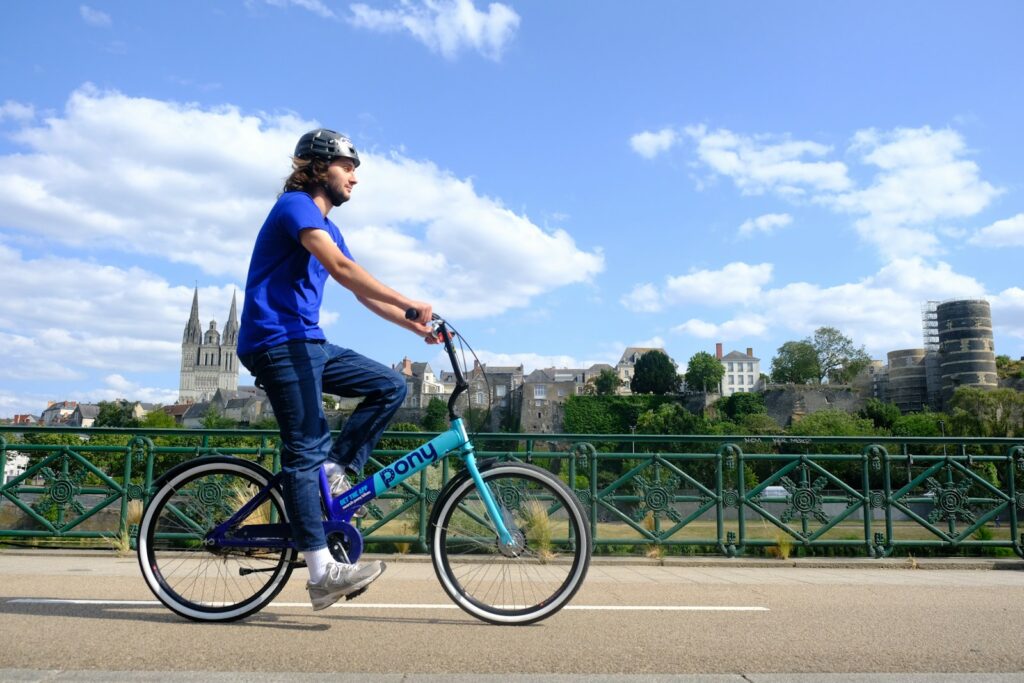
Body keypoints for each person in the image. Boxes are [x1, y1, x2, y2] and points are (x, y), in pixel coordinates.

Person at [237, 128, 437, 611]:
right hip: (276, 342)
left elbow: (359, 289)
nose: (354, 178)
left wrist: (414, 326)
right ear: (320, 166)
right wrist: (409, 299)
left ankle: (336, 470)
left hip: (308, 344)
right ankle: (321, 571)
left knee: (390, 385)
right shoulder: (296, 207)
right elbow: (345, 272)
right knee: (304, 447)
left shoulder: (329, 225)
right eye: (349, 167)